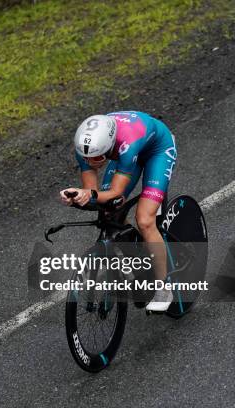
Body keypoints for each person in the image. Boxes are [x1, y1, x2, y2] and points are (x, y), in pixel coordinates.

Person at [60, 111, 177, 312]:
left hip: (157, 150)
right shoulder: (86, 148)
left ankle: (163, 288)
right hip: (122, 152)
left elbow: (115, 192)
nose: (90, 161)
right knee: (109, 210)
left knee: (145, 219)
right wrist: (76, 198)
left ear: (107, 147)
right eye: (86, 158)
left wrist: (91, 195)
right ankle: (135, 259)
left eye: (96, 157)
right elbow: (93, 194)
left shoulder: (127, 145)